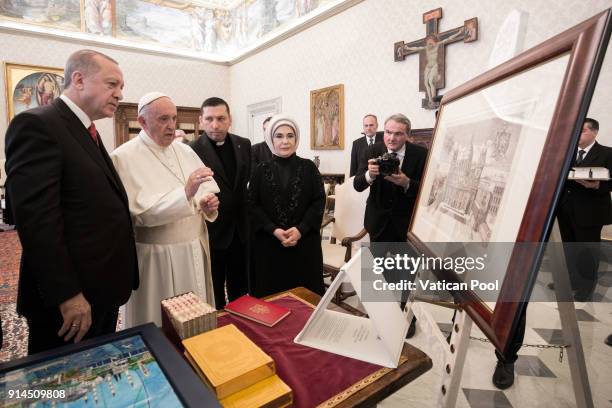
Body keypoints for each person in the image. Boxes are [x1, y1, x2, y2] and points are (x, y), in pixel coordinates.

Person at [4, 49, 138, 354]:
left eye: (121, 87)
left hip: (99, 289)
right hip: (68, 301)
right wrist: (67, 295)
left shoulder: (86, 129)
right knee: (60, 388)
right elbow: (39, 222)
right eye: (111, 84)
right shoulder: (38, 125)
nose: (119, 94)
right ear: (78, 79)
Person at [110, 92, 220, 327]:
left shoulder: (185, 151)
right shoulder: (123, 157)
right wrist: (186, 193)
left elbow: (203, 194)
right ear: (142, 122)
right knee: (159, 323)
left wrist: (206, 204)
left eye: (174, 118)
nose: (171, 126)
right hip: (156, 257)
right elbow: (138, 214)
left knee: (196, 319)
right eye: (163, 119)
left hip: (193, 249)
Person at [354, 113, 428, 337]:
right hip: (377, 221)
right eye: (388, 132)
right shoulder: (371, 151)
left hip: (405, 222)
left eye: (398, 133)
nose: (391, 138)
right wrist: (369, 174)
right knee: (376, 271)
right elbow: (357, 184)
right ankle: (376, 312)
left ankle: (407, 315)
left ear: (408, 135)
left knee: (407, 271)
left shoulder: (421, 154)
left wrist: (407, 183)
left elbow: (427, 189)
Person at [248, 115, 325, 297]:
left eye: (290, 136)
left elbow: (318, 202)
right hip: (269, 245)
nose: (285, 141)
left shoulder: (309, 168)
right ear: (270, 139)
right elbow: (252, 205)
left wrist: (300, 230)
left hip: (304, 244)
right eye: (279, 136)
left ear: (296, 139)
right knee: (271, 302)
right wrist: (273, 230)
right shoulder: (259, 170)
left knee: (305, 301)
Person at [190, 97, 251, 309]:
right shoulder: (191, 149)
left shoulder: (244, 144)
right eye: (209, 119)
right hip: (211, 230)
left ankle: (242, 323)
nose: (215, 124)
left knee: (240, 287)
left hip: (240, 230)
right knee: (212, 289)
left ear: (229, 119)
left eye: (220, 118)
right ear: (200, 121)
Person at [557, 118, 612, 301]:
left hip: (590, 212)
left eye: (583, 131)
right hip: (565, 209)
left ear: (595, 132)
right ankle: (571, 281)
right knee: (568, 247)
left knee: (587, 251)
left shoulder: (607, 153)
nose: (578, 135)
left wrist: (597, 186)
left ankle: (585, 287)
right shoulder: (567, 152)